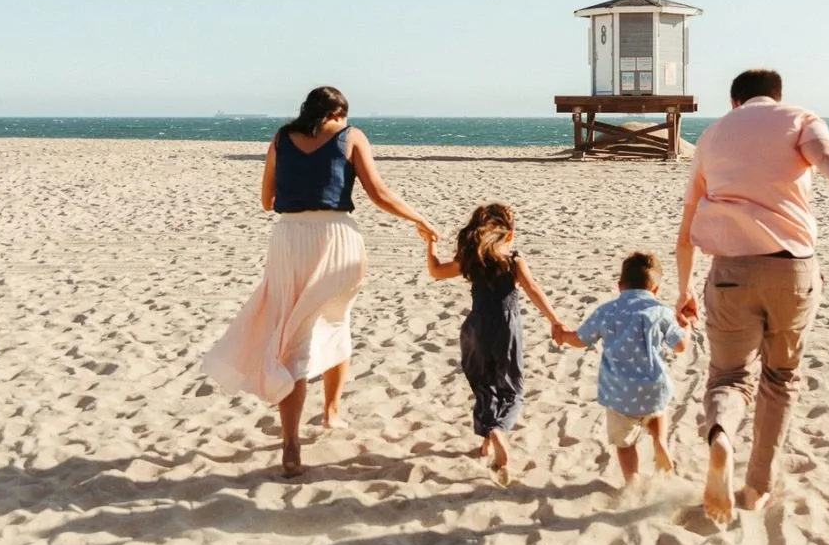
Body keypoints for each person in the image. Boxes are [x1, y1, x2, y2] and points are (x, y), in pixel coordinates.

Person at [202, 86, 438, 477]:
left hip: (289, 240)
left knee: (290, 336)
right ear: (337, 113)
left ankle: (291, 444)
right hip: (336, 239)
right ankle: (331, 413)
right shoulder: (352, 136)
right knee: (335, 321)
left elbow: (266, 201)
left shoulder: (280, 138)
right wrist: (419, 219)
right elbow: (378, 193)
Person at [676, 68, 829, 524]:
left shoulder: (711, 136)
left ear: (734, 103)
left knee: (727, 376)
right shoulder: (799, 118)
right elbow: (826, 156)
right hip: (792, 270)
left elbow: (687, 226)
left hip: (730, 272)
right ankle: (758, 486)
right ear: (776, 96)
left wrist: (684, 288)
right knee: (781, 377)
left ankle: (722, 435)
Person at [425, 203, 564, 479]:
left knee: (483, 382)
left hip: (476, 327)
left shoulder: (473, 260)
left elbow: (436, 271)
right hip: (506, 328)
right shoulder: (513, 262)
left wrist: (429, 245)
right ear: (509, 235)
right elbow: (533, 290)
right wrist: (555, 320)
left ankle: (488, 437)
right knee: (510, 385)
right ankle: (499, 429)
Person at [556, 251, 687, 485]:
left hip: (620, 392)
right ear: (655, 290)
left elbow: (581, 339)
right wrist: (686, 327)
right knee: (657, 411)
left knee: (624, 444)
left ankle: (632, 481)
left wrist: (563, 335)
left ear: (620, 286)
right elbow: (680, 346)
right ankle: (661, 443)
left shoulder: (607, 311)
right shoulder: (661, 311)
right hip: (653, 387)